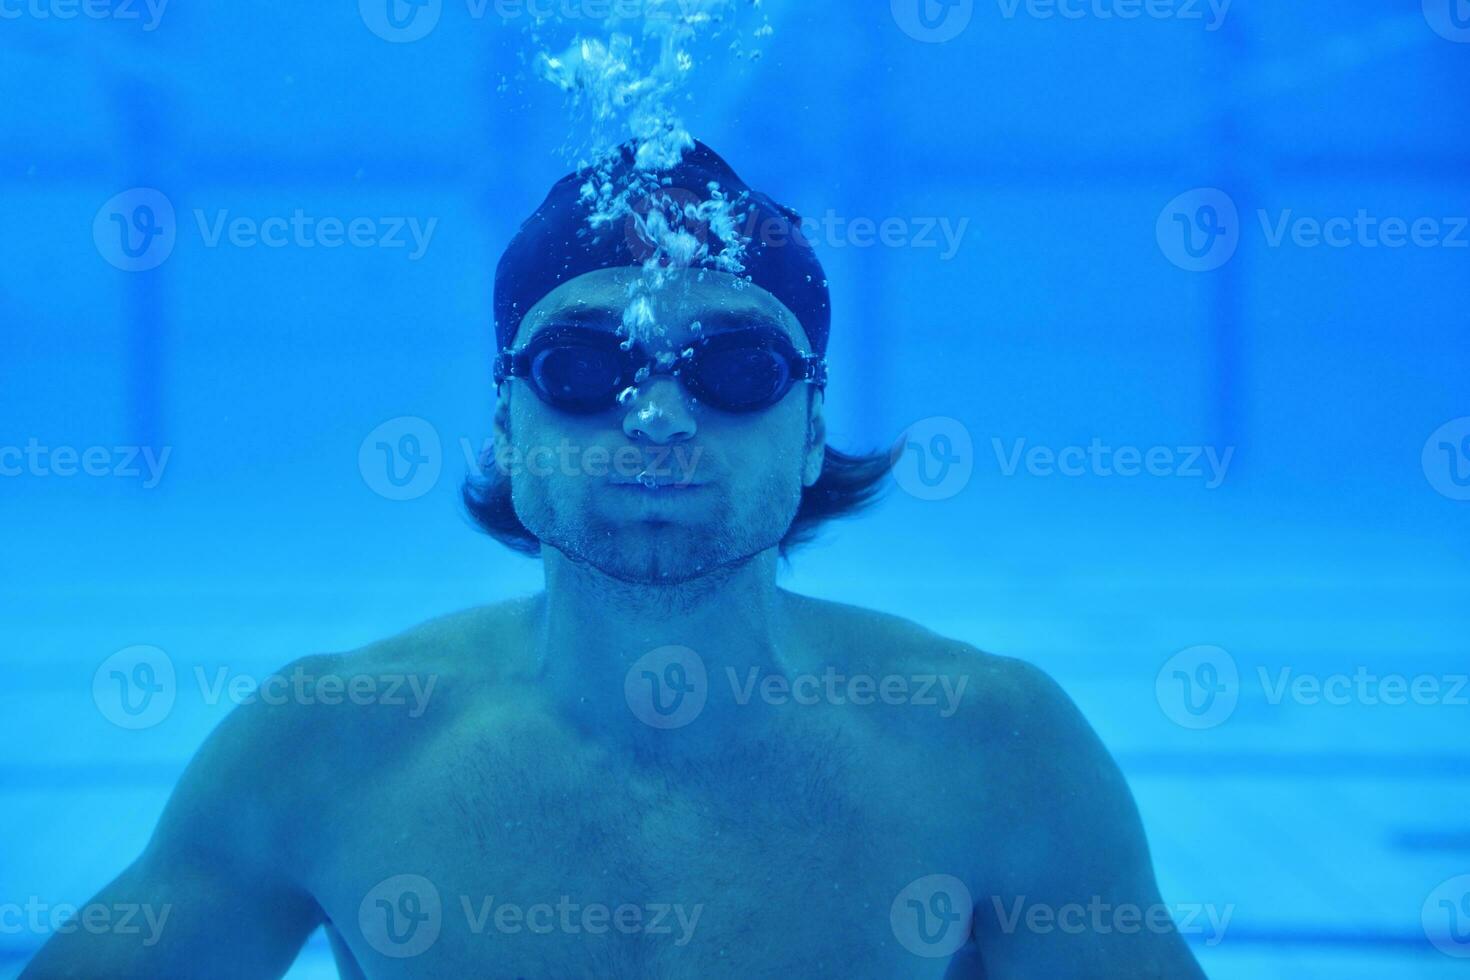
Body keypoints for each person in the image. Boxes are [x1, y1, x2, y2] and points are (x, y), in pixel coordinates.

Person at [22, 139, 1204, 978]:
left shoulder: (994, 748)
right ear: (505, 423)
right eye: (582, 371)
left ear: (809, 429)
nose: (656, 421)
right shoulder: (327, 748)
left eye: (736, 370)